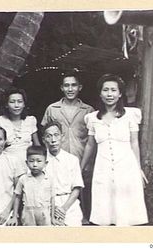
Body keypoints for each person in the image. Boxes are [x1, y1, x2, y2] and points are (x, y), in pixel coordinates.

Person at [81, 74, 148, 226]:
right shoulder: (92, 118)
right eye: (105, 90)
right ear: (100, 93)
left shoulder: (131, 115)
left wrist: (138, 169)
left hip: (126, 167)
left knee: (125, 213)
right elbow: (90, 145)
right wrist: (81, 167)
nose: (109, 94)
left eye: (113, 90)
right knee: (104, 212)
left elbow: (134, 143)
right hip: (103, 168)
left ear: (120, 94)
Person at [41, 71, 94, 223]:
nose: (70, 89)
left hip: (82, 156)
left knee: (83, 190)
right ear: (61, 88)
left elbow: (92, 138)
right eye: (66, 86)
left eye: (74, 85)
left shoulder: (88, 110)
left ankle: (84, 220)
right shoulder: (52, 108)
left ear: (80, 87)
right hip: (58, 157)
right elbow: (44, 131)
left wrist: (86, 161)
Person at [43, 121, 84, 226]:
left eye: (56, 135)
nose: (53, 140)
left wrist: (63, 209)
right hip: (45, 204)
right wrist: (52, 209)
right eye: (49, 136)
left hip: (69, 204)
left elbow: (77, 188)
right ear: (44, 140)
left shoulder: (72, 160)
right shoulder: (39, 160)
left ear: (61, 136)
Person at [7, 145, 57, 226]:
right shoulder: (23, 179)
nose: (35, 164)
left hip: (44, 213)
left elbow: (52, 199)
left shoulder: (49, 179)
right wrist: (15, 216)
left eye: (39, 161)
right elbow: (17, 197)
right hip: (28, 213)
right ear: (26, 163)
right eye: (31, 161)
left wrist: (52, 218)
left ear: (45, 163)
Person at [0, 87, 40, 168]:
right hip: (7, 164)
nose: (16, 105)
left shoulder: (30, 120)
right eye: (12, 102)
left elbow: (37, 145)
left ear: (24, 104)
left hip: (28, 164)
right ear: (6, 105)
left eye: (20, 101)